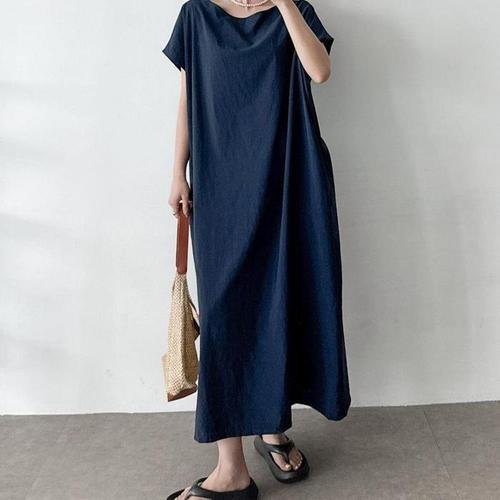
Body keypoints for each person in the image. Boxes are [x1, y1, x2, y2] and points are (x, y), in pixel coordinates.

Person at [163, 1, 350, 498]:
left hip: (290, 178)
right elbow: (188, 96)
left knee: (283, 301)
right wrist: (177, 170)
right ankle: (232, 469)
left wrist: (285, 3)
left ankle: (271, 427)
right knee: (225, 316)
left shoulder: (294, 9)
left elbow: (320, 71)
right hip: (221, 184)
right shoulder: (197, 14)